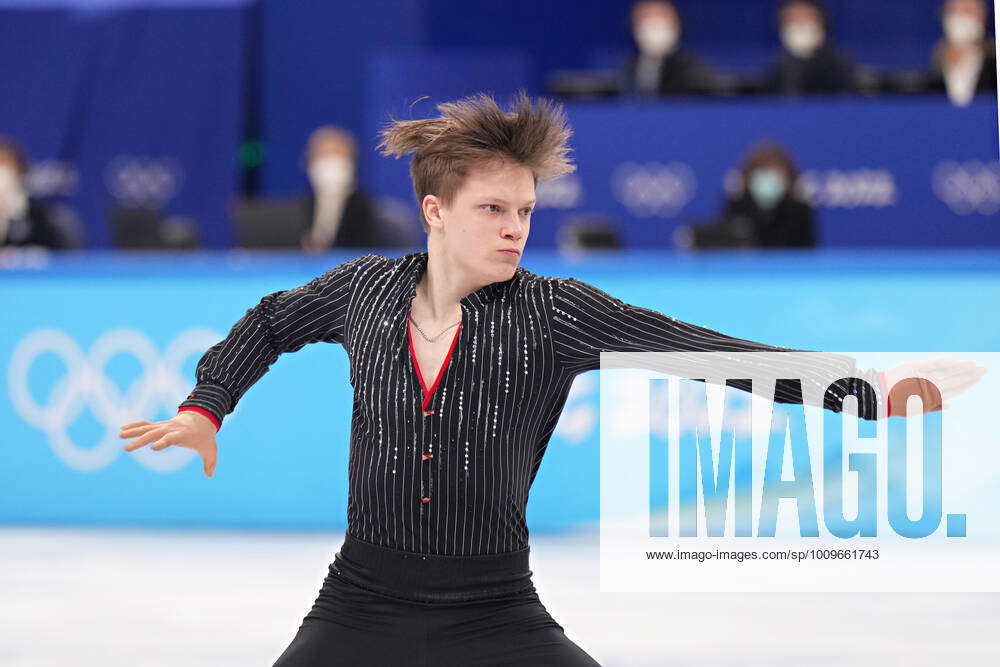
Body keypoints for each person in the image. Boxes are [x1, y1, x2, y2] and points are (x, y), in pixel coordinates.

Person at [118, 92, 983, 665]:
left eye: (526, 210)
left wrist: (863, 390)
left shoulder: (555, 310)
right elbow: (270, 319)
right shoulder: (363, 291)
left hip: (496, 611)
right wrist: (208, 404)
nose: (515, 229)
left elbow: (700, 349)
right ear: (435, 212)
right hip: (361, 604)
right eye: (493, 210)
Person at [298, 125, 386, 252]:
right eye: (323, 155)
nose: (330, 163)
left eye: (337, 155)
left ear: (352, 162)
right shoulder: (297, 210)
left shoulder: (371, 213)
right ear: (309, 161)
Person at [624, 0, 724, 97]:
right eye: (648, 23)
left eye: (661, 24)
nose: (655, 30)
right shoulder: (629, 69)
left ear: (677, 26)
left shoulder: (693, 72)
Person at [765, 0, 860, 95]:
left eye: (807, 16)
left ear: (823, 21)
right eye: (792, 18)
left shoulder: (841, 67)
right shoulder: (778, 70)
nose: (800, 24)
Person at [0, 136, 72, 249]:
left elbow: (53, 252)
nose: (2, 174)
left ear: (18, 172)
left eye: (5, 165)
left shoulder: (35, 213)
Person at [925, 0, 997, 107]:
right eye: (954, 11)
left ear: (982, 16)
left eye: (968, 10)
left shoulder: (994, 65)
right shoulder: (934, 69)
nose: (960, 17)